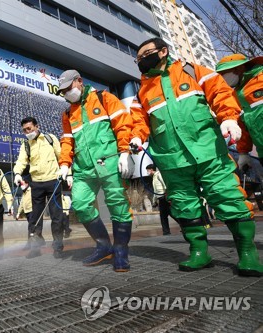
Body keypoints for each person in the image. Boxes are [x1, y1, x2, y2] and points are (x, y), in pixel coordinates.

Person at [130, 37, 262, 276]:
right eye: (138, 58)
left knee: (229, 198)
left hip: (208, 151)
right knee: (184, 206)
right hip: (172, 160)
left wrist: (229, 118)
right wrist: (137, 137)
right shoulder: (142, 92)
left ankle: (247, 252)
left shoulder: (193, 71)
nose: (142, 60)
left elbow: (221, 94)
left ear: (163, 51)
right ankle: (199, 251)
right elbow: (138, 122)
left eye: (146, 53)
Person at [56, 69, 134, 271]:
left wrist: (125, 152)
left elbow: (123, 124)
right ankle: (103, 246)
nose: (66, 94)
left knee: (118, 206)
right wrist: (64, 163)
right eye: (62, 91)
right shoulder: (67, 114)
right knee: (81, 204)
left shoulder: (104, 98)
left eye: (68, 88)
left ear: (79, 81)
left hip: (109, 161)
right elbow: (67, 141)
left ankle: (120, 252)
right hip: (83, 168)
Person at [13, 116, 65, 259]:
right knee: (35, 218)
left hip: (53, 181)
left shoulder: (50, 138)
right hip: (36, 184)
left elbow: (62, 156)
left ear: (37, 126)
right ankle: (35, 246)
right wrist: (17, 173)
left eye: (29, 128)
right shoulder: (26, 145)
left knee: (57, 217)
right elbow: (21, 161)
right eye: (24, 130)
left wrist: (66, 171)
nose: (27, 131)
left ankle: (58, 246)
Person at [215, 54, 263, 168]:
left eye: (224, 73)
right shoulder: (235, 95)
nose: (223, 78)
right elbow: (241, 126)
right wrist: (243, 152)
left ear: (239, 68)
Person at [146, 164, 170, 235]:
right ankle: (166, 231)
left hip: (164, 196)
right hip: (160, 198)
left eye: (147, 170)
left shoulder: (159, 174)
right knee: (163, 215)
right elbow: (155, 191)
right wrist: (154, 201)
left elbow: (164, 184)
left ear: (151, 169)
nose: (147, 172)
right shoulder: (154, 177)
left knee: (169, 213)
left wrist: (166, 194)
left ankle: (183, 226)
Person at [16, 178, 33, 250]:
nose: (21, 186)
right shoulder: (24, 192)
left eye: (22, 184)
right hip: (27, 212)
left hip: (32, 211)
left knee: (31, 228)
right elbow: (22, 203)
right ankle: (38, 241)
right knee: (32, 228)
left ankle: (30, 244)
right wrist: (18, 212)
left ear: (27, 183)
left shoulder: (31, 190)